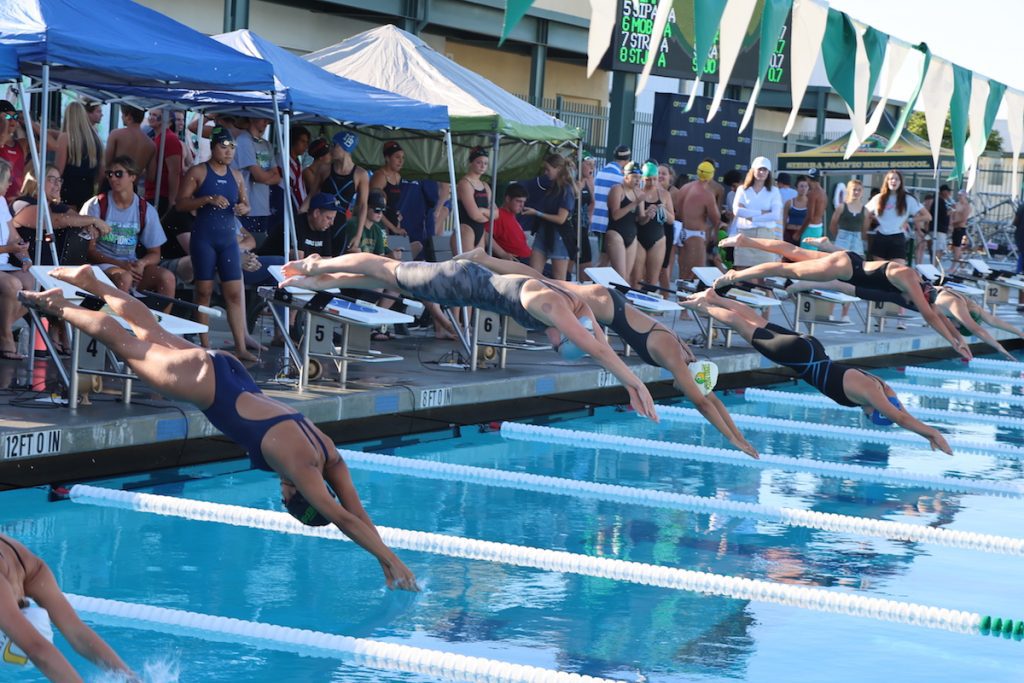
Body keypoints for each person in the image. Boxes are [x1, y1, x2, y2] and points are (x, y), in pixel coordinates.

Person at [20, 266, 419, 593]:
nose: (281, 493)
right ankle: (57, 306)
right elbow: (343, 518)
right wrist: (390, 560)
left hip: (229, 370)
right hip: (204, 383)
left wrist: (386, 557)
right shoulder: (300, 469)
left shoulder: (327, 451)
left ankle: (93, 282)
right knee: (121, 341)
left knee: (147, 329)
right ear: (294, 495)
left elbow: (357, 510)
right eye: (285, 499)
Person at [280, 252, 659, 421]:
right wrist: (633, 385)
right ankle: (318, 263)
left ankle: (318, 279)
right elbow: (594, 347)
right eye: (558, 343)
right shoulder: (553, 308)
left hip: (463, 286)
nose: (551, 342)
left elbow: (600, 344)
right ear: (567, 333)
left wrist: (636, 386)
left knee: (389, 281)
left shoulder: (579, 308)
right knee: (385, 268)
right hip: (457, 281)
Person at [456, 247, 757, 457]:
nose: (684, 389)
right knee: (542, 281)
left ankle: (483, 260)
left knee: (543, 280)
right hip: (606, 305)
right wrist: (730, 438)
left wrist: (739, 436)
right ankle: (481, 259)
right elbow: (703, 404)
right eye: (689, 386)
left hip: (610, 306)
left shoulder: (686, 355)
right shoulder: (676, 358)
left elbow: (710, 398)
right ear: (691, 378)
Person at [682, 288, 952, 454]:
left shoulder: (879, 384)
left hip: (812, 349)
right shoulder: (871, 393)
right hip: (799, 357)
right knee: (746, 327)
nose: (867, 414)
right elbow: (901, 418)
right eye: (871, 415)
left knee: (757, 321)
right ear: (876, 409)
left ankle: (713, 297)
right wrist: (932, 433)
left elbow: (901, 412)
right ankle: (704, 305)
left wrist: (917, 423)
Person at [713, 232, 973, 360]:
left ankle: (746, 240)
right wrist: (956, 340)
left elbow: (939, 316)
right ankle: (734, 276)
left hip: (849, 260)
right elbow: (931, 316)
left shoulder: (918, 280)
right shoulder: (915, 288)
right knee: (785, 267)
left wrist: (956, 335)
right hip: (844, 268)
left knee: (792, 251)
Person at [0, 533, 138, 680]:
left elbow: (38, 649)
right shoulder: (34, 570)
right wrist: (132, 679)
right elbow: (77, 633)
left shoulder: (30, 571)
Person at [176, 126, 256, 361]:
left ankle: (240, 347)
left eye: (232, 148)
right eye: (224, 147)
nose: (229, 152)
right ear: (213, 148)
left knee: (233, 293)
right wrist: (207, 199)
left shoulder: (237, 176)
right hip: (204, 239)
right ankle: (205, 345)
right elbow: (180, 204)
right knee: (204, 291)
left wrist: (244, 208)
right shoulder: (198, 172)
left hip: (228, 240)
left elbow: (245, 204)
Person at [82, 156, 174, 299]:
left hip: (130, 266)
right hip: (100, 266)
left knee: (167, 278)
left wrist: (142, 263)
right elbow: (89, 251)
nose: (113, 178)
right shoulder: (96, 205)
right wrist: (121, 265)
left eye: (118, 174)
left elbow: (155, 253)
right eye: (109, 174)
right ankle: (120, 320)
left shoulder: (145, 210)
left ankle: (160, 320)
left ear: (132, 176)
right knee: (124, 278)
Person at [525, 154, 577, 280]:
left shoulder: (567, 190)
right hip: (544, 232)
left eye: (548, 169)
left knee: (559, 279)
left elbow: (561, 219)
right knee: (532, 275)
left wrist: (537, 213)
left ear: (558, 169)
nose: (546, 172)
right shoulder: (552, 187)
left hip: (559, 236)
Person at [232, 117, 281, 252]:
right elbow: (258, 175)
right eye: (263, 119)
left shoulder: (267, 144)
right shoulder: (244, 140)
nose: (266, 122)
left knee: (259, 249)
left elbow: (278, 177)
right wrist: (267, 175)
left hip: (263, 207)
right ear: (253, 118)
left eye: (268, 120)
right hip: (247, 207)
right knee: (247, 250)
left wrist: (264, 177)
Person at [0, 159, 32, 361]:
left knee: (33, 283)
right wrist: (9, 249)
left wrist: (23, 253)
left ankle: (3, 330)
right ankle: (6, 337)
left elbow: (13, 236)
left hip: (3, 262)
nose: (11, 184)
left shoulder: (1, 202)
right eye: (7, 179)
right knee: (13, 284)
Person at [864, 169, 930, 265]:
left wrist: (908, 220)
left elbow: (927, 216)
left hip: (897, 238)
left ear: (901, 182)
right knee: (880, 271)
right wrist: (871, 221)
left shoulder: (908, 199)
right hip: (880, 237)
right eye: (891, 179)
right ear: (886, 181)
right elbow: (865, 213)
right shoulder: (878, 198)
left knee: (897, 270)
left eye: (896, 179)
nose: (893, 181)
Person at [826, 178, 869, 323]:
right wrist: (839, 238)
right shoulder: (842, 207)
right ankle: (830, 311)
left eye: (858, 190)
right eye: (853, 189)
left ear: (862, 192)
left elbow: (865, 229)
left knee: (853, 279)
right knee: (836, 276)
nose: (856, 192)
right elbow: (833, 225)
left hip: (856, 243)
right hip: (843, 240)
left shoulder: (865, 210)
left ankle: (845, 313)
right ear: (849, 191)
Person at [673, 161, 721, 283]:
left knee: (683, 275)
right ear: (711, 175)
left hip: (682, 233)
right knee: (696, 276)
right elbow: (716, 219)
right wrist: (714, 235)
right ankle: (687, 301)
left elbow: (678, 212)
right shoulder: (707, 194)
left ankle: (681, 300)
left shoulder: (684, 188)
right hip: (695, 235)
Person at [731, 156, 783, 268]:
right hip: (745, 234)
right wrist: (762, 212)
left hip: (765, 235)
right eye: (759, 169)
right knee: (741, 272)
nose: (762, 172)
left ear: (768, 172)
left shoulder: (774, 191)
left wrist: (752, 217)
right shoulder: (742, 189)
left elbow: (775, 215)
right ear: (753, 170)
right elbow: (737, 211)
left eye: (765, 170)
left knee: (762, 273)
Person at [53, 101, 103, 210]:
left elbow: (58, 171)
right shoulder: (96, 139)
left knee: (68, 224)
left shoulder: (65, 138)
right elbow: (101, 170)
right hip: (88, 192)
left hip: (68, 191)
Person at [631, 161, 671, 289]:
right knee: (636, 280)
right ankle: (633, 307)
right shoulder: (637, 193)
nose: (652, 183)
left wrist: (663, 211)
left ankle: (647, 309)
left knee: (652, 282)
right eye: (648, 180)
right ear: (643, 178)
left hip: (658, 240)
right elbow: (636, 219)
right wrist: (647, 215)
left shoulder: (664, 194)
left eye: (654, 179)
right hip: (639, 239)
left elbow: (671, 220)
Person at [591, 144, 632, 264]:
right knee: (604, 259)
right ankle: (596, 282)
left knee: (605, 257)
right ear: (627, 160)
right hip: (607, 223)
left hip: (597, 221)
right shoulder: (620, 177)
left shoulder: (600, 172)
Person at [605, 162, 644, 281]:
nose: (637, 181)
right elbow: (615, 215)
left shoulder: (639, 193)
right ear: (626, 176)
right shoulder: (617, 189)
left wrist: (649, 215)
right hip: (616, 233)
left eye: (639, 178)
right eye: (634, 177)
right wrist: (634, 203)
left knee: (626, 278)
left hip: (632, 236)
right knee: (619, 277)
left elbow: (641, 220)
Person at [105, 106, 156, 192]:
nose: (121, 117)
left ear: (128, 116)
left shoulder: (116, 135)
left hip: (113, 185)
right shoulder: (151, 144)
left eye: (122, 115)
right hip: (131, 189)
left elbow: (106, 164)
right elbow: (151, 176)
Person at [454, 146, 493, 254]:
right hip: (466, 230)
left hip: (480, 231)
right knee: (466, 267)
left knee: (479, 267)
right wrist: (490, 217)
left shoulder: (485, 185)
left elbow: (497, 214)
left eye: (485, 163)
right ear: (471, 163)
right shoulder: (465, 184)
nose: (482, 166)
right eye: (479, 162)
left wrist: (484, 211)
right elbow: (474, 215)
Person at [485, 182, 532, 261]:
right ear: (507, 199)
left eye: (523, 202)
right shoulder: (498, 214)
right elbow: (485, 235)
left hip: (528, 258)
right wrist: (502, 253)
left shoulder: (512, 215)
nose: (522, 205)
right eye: (518, 201)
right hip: (516, 261)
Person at [369, 141, 406, 237]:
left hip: (392, 223)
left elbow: (392, 204)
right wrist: (393, 228)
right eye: (397, 157)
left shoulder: (398, 176)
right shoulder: (380, 176)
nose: (401, 161)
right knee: (383, 251)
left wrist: (397, 216)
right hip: (379, 224)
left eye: (402, 158)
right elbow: (373, 207)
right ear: (387, 158)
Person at [0, 101, 29, 204]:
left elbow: (52, 145)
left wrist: (28, 122)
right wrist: (4, 125)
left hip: (15, 202)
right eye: (7, 117)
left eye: (15, 117)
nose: (12, 121)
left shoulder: (21, 144)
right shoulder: (1, 143)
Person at [800, 168, 827, 250]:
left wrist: (799, 232)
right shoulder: (823, 193)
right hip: (819, 228)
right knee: (813, 254)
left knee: (804, 255)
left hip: (810, 228)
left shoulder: (812, 194)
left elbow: (809, 216)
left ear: (808, 179)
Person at [288, 125, 311, 211]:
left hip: (300, 207)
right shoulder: (282, 162)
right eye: (302, 141)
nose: (305, 146)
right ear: (294, 140)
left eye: (307, 142)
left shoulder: (298, 163)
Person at [782, 175, 809, 246]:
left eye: (806, 186)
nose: (803, 189)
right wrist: (782, 233)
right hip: (789, 232)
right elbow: (784, 219)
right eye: (801, 186)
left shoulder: (810, 204)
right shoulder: (789, 202)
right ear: (797, 188)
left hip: (804, 233)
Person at [950, 190, 972, 264]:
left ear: (965, 196)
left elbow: (963, 219)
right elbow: (952, 214)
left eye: (961, 196)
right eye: (958, 195)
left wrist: (952, 222)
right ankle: (962, 264)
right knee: (955, 248)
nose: (959, 197)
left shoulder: (967, 206)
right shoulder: (956, 204)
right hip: (955, 228)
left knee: (957, 248)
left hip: (960, 228)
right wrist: (951, 223)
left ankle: (953, 266)